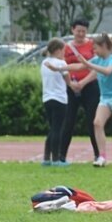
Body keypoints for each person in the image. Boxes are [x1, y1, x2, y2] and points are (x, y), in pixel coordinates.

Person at [64, 33, 112, 169]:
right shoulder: (97, 59)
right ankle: (102, 156)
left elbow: (107, 71)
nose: (95, 51)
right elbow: (79, 66)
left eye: (96, 48)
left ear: (104, 47)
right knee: (97, 123)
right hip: (105, 97)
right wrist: (60, 68)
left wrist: (88, 64)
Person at [59, 17, 101, 164]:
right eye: (78, 31)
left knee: (93, 121)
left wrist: (83, 82)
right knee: (68, 121)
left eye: (83, 31)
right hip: (71, 86)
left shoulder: (92, 45)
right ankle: (61, 156)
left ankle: (98, 155)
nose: (81, 34)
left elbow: (97, 67)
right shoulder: (66, 47)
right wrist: (70, 83)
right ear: (72, 30)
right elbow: (62, 67)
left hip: (90, 85)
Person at [40, 38, 71, 166]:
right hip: (60, 99)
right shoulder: (61, 63)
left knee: (52, 128)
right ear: (58, 50)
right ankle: (56, 159)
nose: (64, 53)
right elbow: (67, 80)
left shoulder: (44, 62)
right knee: (58, 129)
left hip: (47, 98)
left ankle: (46, 157)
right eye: (63, 50)